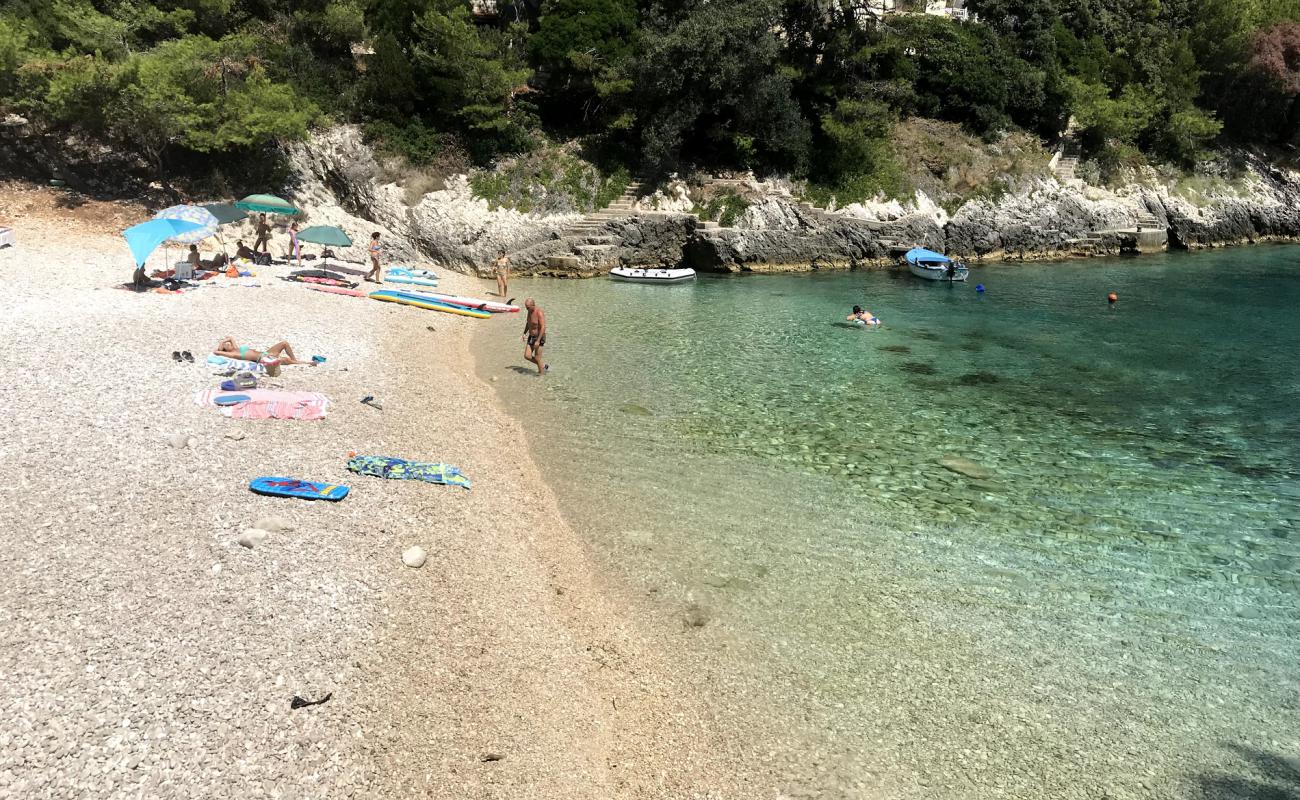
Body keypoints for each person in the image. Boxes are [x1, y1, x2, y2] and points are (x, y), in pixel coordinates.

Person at [214, 337, 314, 366]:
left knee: (284, 343)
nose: (228, 344)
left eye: (228, 343)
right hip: (263, 359)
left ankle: (295, 360)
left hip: (266, 353)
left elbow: (230, 337)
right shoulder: (233, 354)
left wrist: (223, 340)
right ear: (225, 350)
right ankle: (304, 363)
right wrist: (221, 347)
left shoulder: (237, 348)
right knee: (286, 360)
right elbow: (216, 352)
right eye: (225, 346)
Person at [522, 298, 547, 375]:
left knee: (537, 357)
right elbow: (528, 322)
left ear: (533, 305)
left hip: (539, 337)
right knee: (527, 356)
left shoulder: (539, 312)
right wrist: (524, 333)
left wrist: (538, 341)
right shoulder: (529, 311)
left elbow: (543, 327)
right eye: (526, 307)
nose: (527, 309)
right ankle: (543, 366)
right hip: (531, 336)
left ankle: (541, 375)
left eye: (528, 307)